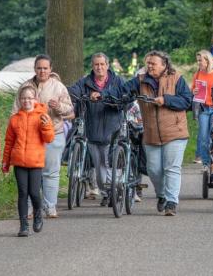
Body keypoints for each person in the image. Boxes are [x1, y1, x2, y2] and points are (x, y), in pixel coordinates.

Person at [96, 50, 192, 216]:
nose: (149, 66)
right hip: (151, 133)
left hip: (175, 132)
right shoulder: (140, 81)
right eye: (148, 63)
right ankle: (161, 195)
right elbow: (121, 91)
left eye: (153, 63)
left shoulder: (177, 79)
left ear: (164, 65)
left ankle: (171, 202)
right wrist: (102, 94)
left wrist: (166, 100)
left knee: (172, 168)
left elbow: (187, 101)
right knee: (153, 169)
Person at [13, 54, 73, 218]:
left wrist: (58, 106)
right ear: (34, 69)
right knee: (32, 172)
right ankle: (31, 208)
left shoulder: (59, 87)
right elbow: (15, 110)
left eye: (45, 68)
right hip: (30, 137)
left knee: (51, 172)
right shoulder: (26, 87)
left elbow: (69, 110)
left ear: (50, 69)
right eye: (39, 68)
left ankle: (50, 207)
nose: (42, 71)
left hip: (54, 133)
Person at [69, 52, 126, 206]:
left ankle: (115, 190)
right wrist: (78, 96)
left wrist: (104, 96)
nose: (99, 67)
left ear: (107, 66)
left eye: (102, 64)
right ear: (92, 66)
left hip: (112, 129)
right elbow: (72, 91)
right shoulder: (85, 82)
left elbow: (125, 97)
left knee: (111, 164)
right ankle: (107, 193)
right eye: (96, 64)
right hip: (92, 129)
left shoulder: (118, 81)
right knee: (99, 165)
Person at [2, 86, 55, 237]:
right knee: (23, 193)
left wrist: (46, 125)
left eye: (29, 98)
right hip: (19, 162)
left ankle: (38, 213)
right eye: (24, 98)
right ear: (20, 100)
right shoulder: (14, 119)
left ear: (35, 99)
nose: (26, 101)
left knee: (34, 193)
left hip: (35, 162)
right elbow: (9, 142)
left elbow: (49, 138)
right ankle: (23, 225)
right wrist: (5, 162)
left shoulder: (42, 116)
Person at [191, 50, 213, 172]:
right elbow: (193, 89)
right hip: (204, 109)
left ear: (207, 60)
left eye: (200, 60)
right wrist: (193, 91)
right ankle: (206, 163)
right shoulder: (198, 74)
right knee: (203, 137)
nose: (198, 62)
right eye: (198, 60)